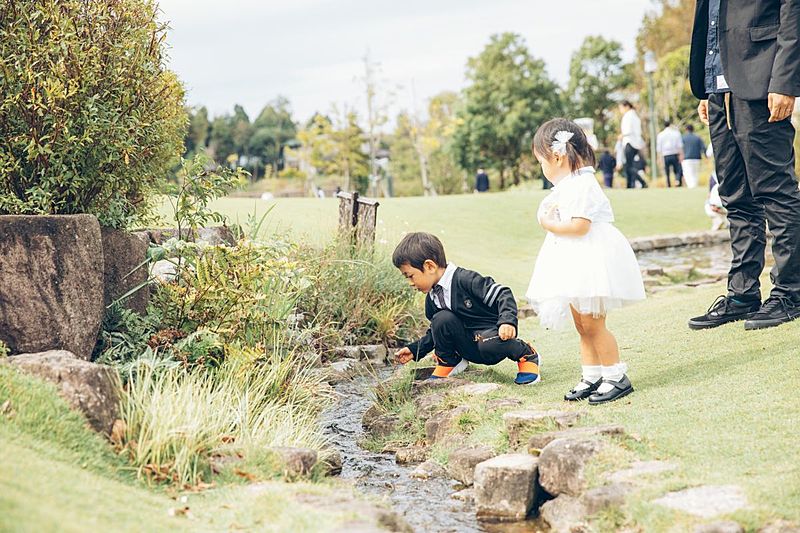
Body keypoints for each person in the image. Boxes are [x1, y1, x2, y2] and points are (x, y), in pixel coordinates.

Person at [688, 0, 800, 330]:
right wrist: (707, 87)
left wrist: (785, 82)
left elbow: (792, 12)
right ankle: (743, 294)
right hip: (718, 88)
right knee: (736, 198)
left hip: (762, 79)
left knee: (776, 193)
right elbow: (710, 22)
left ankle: (790, 293)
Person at [526, 118, 645, 404]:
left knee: (593, 324)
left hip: (590, 260)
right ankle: (591, 374)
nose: (542, 167)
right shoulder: (567, 186)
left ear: (557, 156)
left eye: (541, 160)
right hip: (572, 261)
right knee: (582, 325)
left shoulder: (583, 184)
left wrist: (549, 225)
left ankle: (616, 376)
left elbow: (580, 226)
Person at [392, 232, 541, 385]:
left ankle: (526, 354)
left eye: (410, 276)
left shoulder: (465, 279)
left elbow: (502, 294)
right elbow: (436, 332)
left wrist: (507, 321)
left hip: (490, 339)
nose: (410, 282)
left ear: (429, 266)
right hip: (467, 345)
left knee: (487, 345)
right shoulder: (432, 298)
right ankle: (449, 362)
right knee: (440, 318)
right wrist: (415, 349)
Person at [618, 101, 648, 189]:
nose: (620, 110)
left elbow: (628, 130)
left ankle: (642, 182)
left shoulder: (628, 116)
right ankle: (630, 185)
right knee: (629, 166)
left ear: (626, 106)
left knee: (628, 166)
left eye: (621, 108)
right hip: (636, 143)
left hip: (629, 142)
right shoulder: (635, 116)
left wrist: (621, 135)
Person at [656, 120, 684, 187]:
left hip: (665, 155)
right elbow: (679, 145)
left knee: (667, 171)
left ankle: (668, 184)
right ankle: (677, 181)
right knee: (677, 169)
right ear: (670, 125)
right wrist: (681, 155)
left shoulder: (660, 135)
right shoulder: (676, 133)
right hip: (675, 153)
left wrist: (659, 158)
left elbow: (659, 148)